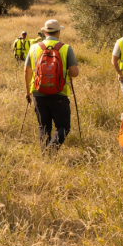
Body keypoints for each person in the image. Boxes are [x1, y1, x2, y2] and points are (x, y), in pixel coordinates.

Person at [24, 19, 79, 153]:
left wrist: (28, 92)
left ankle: (45, 155)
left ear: (44, 32)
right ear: (58, 32)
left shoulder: (34, 47)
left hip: (38, 92)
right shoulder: (66, 48)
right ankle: (50, 152)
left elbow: (27, 71)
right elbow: (74, 73)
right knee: (63, 127)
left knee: (44, 127)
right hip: (59, 93)